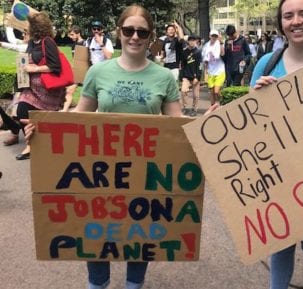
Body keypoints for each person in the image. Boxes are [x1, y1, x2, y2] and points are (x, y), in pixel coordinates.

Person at [25, 4, 185, 289]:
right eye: (128, 30)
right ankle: (97, 284)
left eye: (142, 31)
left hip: (146, 172)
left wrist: (208, 126)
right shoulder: (99, 71)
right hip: (100, 169)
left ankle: (134, 284)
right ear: (119, 32)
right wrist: (44, 129)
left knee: (141, 225)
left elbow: (177, 124)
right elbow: (80, 116)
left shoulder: (163, 77)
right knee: (97, 224)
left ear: (150, 36)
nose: (134, 37)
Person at [250, 1, 303, 289]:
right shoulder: (266, 63)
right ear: (281, 22)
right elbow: (248, 125)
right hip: (277, 176)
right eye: (288, 16)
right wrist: (257, 95)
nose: (296, 21)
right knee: (280, 249)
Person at [15, 11, 67, 160]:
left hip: (47, 90)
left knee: (46, 118)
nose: (28, 28)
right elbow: (27, 58)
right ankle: (31, 145)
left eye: (30, 25)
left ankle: (47, 143)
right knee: (22, 111)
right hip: (31, 88)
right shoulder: (32, 42)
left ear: (37, 27)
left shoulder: (48, 41)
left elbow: (55, 66)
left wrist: (35, 68)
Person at [63, 25, 85, 112]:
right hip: (76, 71)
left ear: (78, 34)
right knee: (69, 90)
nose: (70, 36)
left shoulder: (85, 43)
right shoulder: (73, 45)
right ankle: (65, 110)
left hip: (83, 72)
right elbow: (74, 59)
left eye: (72, 34)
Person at [202, 29, 225, 106]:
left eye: (216, 36)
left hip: (220, 70)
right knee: (211, 92)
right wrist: (205, 73)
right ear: (210, 36)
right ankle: (212, 108)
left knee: (216, 91)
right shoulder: (206, 46)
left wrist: (221, 42)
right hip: (210, 71)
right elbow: (205, 61)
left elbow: (222, 54)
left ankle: (223, 103)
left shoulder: (219, 44)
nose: (214, 37)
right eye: (213, 36)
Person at [180, 34, 202, 116]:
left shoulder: (198, 52)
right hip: (186, 76)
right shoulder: (184, 52)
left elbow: (200, 65)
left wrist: (197, 77)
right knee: (183, 91)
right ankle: (185, 107)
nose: (192, 42)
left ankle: (194, 109)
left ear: (196, 41)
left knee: (196, 95)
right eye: (191, 40)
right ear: (188, 41)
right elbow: (182, 65)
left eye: (194, 40)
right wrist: (182, 76)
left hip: (195, 76)